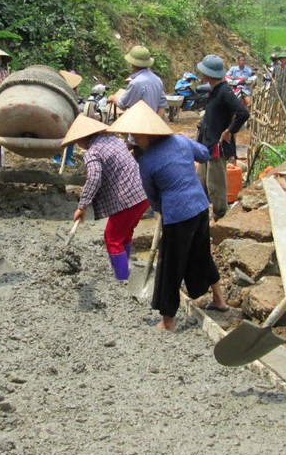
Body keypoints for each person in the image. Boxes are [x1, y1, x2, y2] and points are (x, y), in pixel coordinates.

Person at [107, 103, 228, 332]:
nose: (132, 139)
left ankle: (168, 321)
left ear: (148, 135)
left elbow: (151, 195)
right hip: (200, 207)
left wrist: (163, 208)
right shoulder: (181, 141)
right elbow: (203, 154)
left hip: (178, 215)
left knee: (170, 266)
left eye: (136, 136)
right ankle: (220, 300)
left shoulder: (147, 161)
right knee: (201, 253)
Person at [62, 114, 149, 280]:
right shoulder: (114, 141)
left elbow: (94, 177)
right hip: (142, 194)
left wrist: (82, 206)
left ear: (82, 139)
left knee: (112, 238)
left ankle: (122, 278)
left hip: (127, 199)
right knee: (125, 233)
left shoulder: (93, 152)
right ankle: (125, 269)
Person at [195, 55, 250, 223]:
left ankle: (220, 215)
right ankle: (201, 212)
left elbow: (243, 113)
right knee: (200, 181)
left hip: (217, 145)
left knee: (215, 185)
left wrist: (229, 131)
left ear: (209, 75)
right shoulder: (214, 90)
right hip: (207, 142)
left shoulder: (224, 91)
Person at [107, 45, 167, 118]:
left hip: (138, 123)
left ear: (132, 64)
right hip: (152, 124)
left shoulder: (136, 83)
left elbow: (123, 104)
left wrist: (113, 98)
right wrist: (156, 121)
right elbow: (162, 104)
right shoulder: (157, 80)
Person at [53, 70, 83, 167]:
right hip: (60, 113)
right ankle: (56, 158)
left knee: (71, 137)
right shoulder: (59, 87)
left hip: (71, 113)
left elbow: (76, 99)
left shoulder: (74, 90)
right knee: (58, 135)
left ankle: (67, 158)